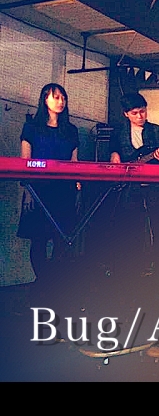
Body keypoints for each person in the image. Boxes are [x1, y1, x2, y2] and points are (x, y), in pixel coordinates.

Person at [17, 83, 79, 281]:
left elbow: (74, 161)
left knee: (63, 237)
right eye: (56, 97)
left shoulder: (71, 130)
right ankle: (42, 279)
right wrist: (28, 191)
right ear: (45, 99)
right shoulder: (32, 127)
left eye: (63, 98)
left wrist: (77, 182)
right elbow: (25, 161)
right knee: (39, 238)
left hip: (64, 189)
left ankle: (53, 279)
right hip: (38, 188)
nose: (61, 101)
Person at [109, 92, 159, 279]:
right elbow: (114, 156)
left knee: (158, 225)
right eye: (134, 113)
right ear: (126, 114)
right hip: (130, 187)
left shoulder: (157, 131)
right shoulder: (119, 133)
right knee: (132, 226)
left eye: (143, 111)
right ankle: (133, 268)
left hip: (155, 186)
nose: (140, 116)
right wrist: (114, 157)